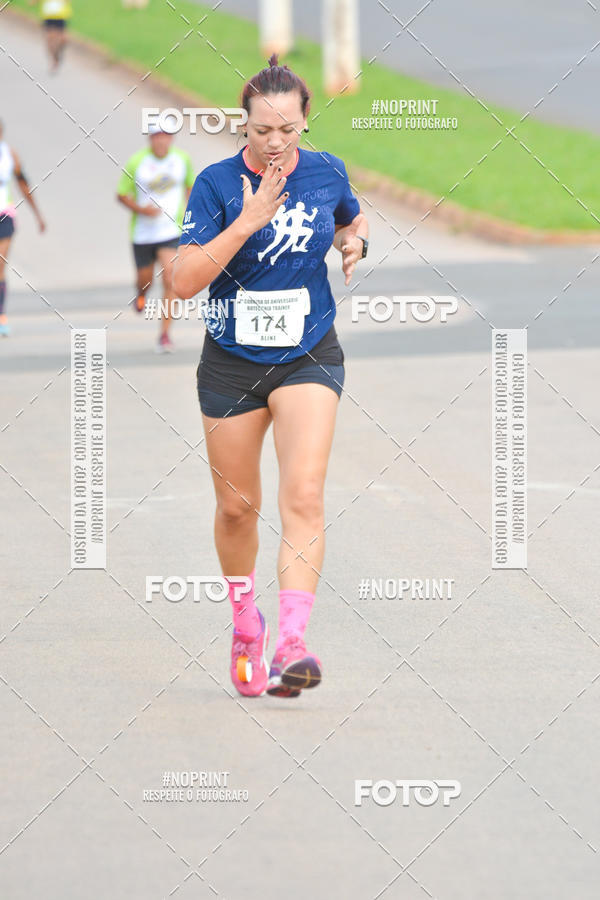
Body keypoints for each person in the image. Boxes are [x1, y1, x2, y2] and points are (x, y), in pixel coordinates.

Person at [173, 55, 369, 698]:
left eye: (289, 129)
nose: (278, 142)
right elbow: (181, 283)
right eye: (264, 131)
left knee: (304, 495)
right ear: (245, 126)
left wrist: (353, 240)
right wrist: (249, 220)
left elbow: (349, 215)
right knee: (237, 508)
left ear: (305, 124)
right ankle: (245, 626)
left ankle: (292, 642)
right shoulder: (215, 184)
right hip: (231, 363)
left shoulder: (325, 171)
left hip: (308, 353)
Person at [117, 124, 195, 353]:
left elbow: (190, 185)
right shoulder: (136, 162)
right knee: (145, 280)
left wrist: (190, 211)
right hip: (142, 233)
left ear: (171, 139)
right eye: (157, 137)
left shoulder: (182, 160)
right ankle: (141, 295)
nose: (161, 142)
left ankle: (164, 335)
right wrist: (141, 210)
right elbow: (121, 195)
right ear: (150, 139)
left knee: (170, 277)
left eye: (166, 137)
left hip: (170, 230)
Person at [0, 121, 46, 337]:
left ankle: (1, 316)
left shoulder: (10, 155)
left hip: (4, 216)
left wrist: (37, 214)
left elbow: (23, 185)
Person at [29, 0, 73, 72]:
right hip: (48, 17)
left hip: (61, 16)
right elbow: (32, 3)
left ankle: (59, 51)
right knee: (50, 40)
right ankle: (55, 59)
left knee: (63, 39)